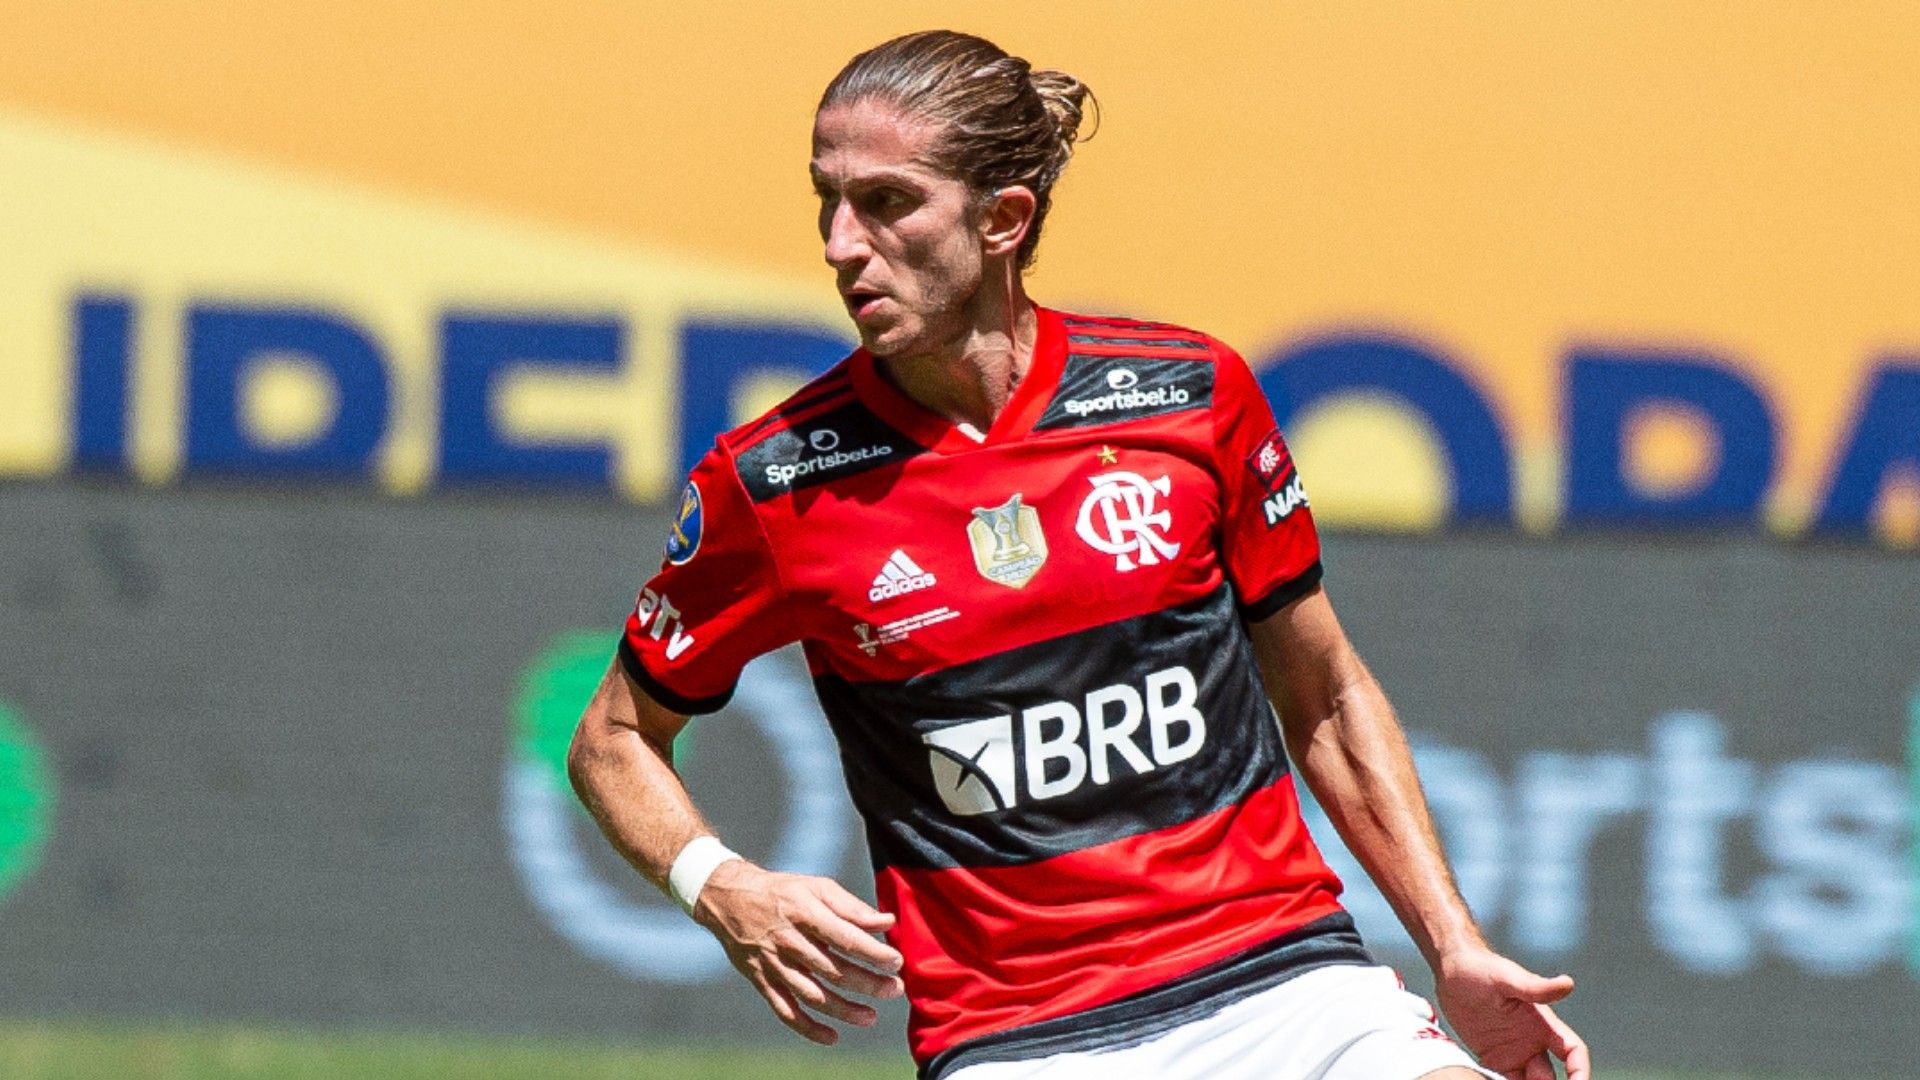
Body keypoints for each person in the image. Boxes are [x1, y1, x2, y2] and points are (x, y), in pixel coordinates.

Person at [568, 29, 1590, 1080]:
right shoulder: (776, 480)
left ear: (1003, 219)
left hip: (1289, 985)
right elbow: (613, 738)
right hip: (1021, 1042)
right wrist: (721, 884)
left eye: (886, 203)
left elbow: (1325, 694)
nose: (839, 243)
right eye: (826, 200)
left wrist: (1453, 945)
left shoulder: (1189, 396)